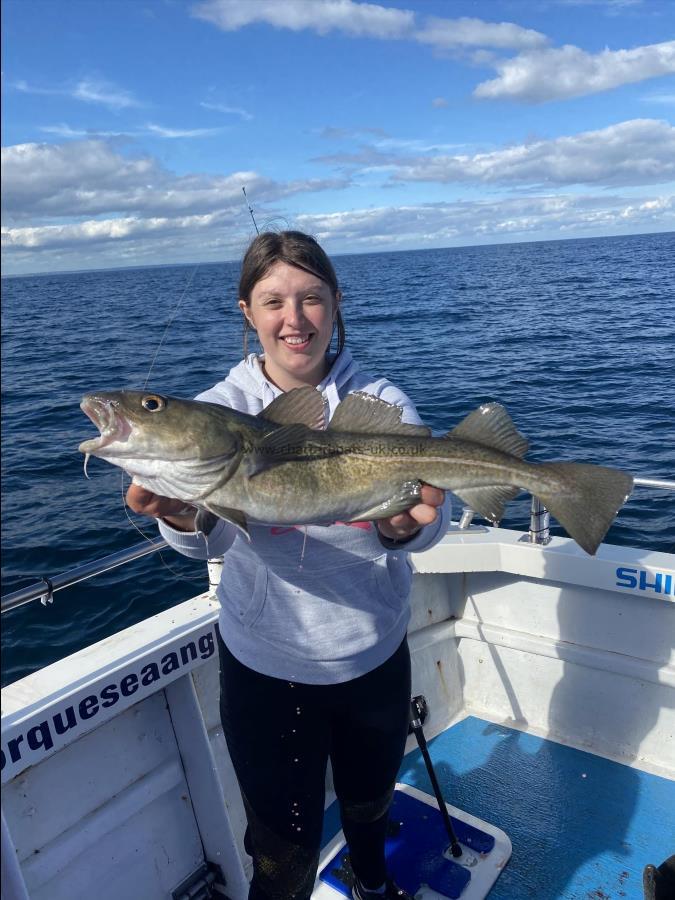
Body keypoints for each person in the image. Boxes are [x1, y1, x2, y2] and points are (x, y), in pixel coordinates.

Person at [127, 231, 450, 900]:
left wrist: (401, 528)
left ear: (335, 305)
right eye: (273, 301)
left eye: (311, 299)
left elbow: (425, 520)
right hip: (267, 669)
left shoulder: (379, 399)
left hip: (371, 655)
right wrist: (180, 516)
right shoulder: (220, 411)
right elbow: (204, 543)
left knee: (369, 807)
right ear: (246, 310)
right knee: (279, 846)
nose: (293, 319)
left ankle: (371, 881)